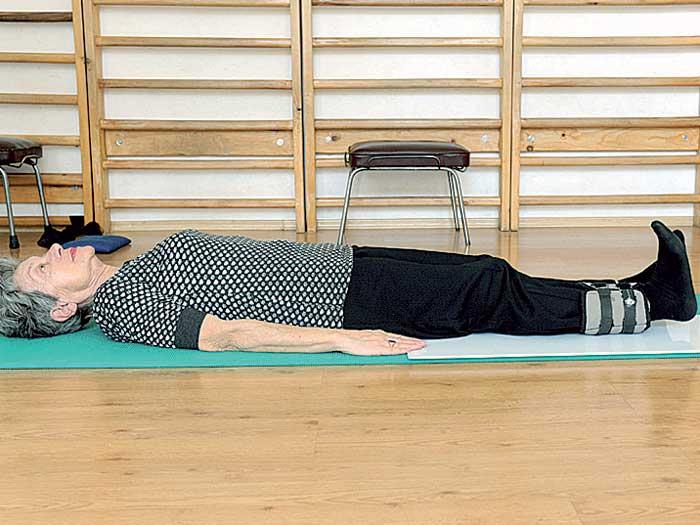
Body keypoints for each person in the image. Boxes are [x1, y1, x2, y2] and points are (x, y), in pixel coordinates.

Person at [0, 220, 695, 356]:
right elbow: (225, 335)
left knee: (488, 270)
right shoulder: (121, 308)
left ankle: (631, 287)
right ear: (60, 306)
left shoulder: (130, 268)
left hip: (346, 263)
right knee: (490, 293)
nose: (54, 251)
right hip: (349, 300)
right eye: (42, 267)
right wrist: (342, 340)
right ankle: (652, 305)